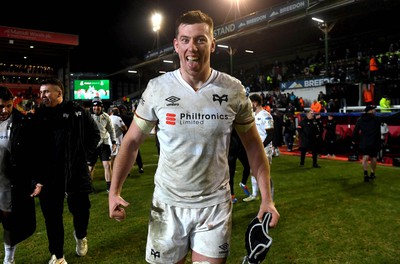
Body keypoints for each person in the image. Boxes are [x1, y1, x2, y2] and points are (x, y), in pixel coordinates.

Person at [108, 10, 279, 264]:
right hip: (167, 204)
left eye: (200, 39)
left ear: (212, 44)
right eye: (185, 40)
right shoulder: (158, 88)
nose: (193, 47)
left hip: (215, 206)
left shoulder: (233, 89)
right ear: (176, 45)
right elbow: (131, 142)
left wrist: (267, 199)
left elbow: (254, 146)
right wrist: (114, 191)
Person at [34, 78, 100, 264]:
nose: (43, 96)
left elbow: (94, 135)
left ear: (59, 93)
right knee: (52, 217)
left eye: (46, 92)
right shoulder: (39, 115)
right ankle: (58, 255)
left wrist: (86, 159)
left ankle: (81, 236)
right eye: (41, 92)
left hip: (76, 172)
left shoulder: (77, 111)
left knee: (81, 211)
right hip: (50, 175)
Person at [0, 86, 42, 264]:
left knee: (10, 222)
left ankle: (9, 258)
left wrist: (36, 180)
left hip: (9, 182)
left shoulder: (22, 122)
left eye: (8, 106)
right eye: (1, 106)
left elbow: (34, 154)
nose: (5, 110)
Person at [243, 94, 274, 203]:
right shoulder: (253, 115)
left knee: (264, 174)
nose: (249, 105)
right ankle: (254, 194)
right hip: (255, 149)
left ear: (255, 103)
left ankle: (269, 199)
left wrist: (261, 146)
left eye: (250, 103)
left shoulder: (266, 115)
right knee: (253, 172)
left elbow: (270, 135)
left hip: (264, 149)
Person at [88, 97, 117, 192]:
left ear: (101, 107)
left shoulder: (106, 116)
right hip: (91, 145)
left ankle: (109, 187)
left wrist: (113, 142)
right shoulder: (87, 117)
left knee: (107, 165)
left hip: (104, 144)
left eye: (98, 106)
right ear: (92, 107)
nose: (96, 108)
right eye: (95, 106)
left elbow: (111, 130)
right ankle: (88, 186)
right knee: (90, 167)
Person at [352, 105, 381, 182]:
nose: (375, 111)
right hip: (374, 141)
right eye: (374, 110)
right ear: (370, 111)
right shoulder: (376, 119)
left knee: (365, 157)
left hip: (364, 142)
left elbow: (355, 131)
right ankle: (372, 173)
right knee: (373, 157)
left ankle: (365, 174)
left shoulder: (360, 119)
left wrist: (355, 140)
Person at [228, 129, 251, 203]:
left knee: (248, 166)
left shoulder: (240, 120)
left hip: (241, 147)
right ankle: (231, 195)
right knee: (231, 173)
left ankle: (243, 183)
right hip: (231, 149)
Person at [108, 107, 128, 171]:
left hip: (109, 140)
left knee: (111, 158)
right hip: (117, 141)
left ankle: (111, 172)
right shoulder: (117, 118)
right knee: (118, 158)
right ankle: (116, 172)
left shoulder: (108, 117)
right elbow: (124, 128)